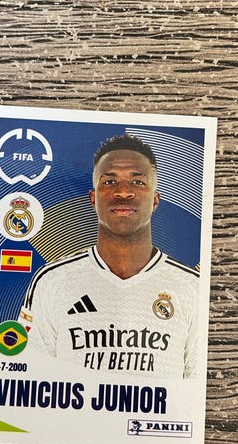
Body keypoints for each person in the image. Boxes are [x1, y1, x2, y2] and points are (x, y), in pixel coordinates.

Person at [19, 134, 198, 378]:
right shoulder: (52, 281)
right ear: (93, 199)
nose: (123, 192)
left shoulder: (191, 287)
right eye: (109, 181)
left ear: (155, 200)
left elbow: (195, 387)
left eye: (137, 182)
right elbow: (30, 375)